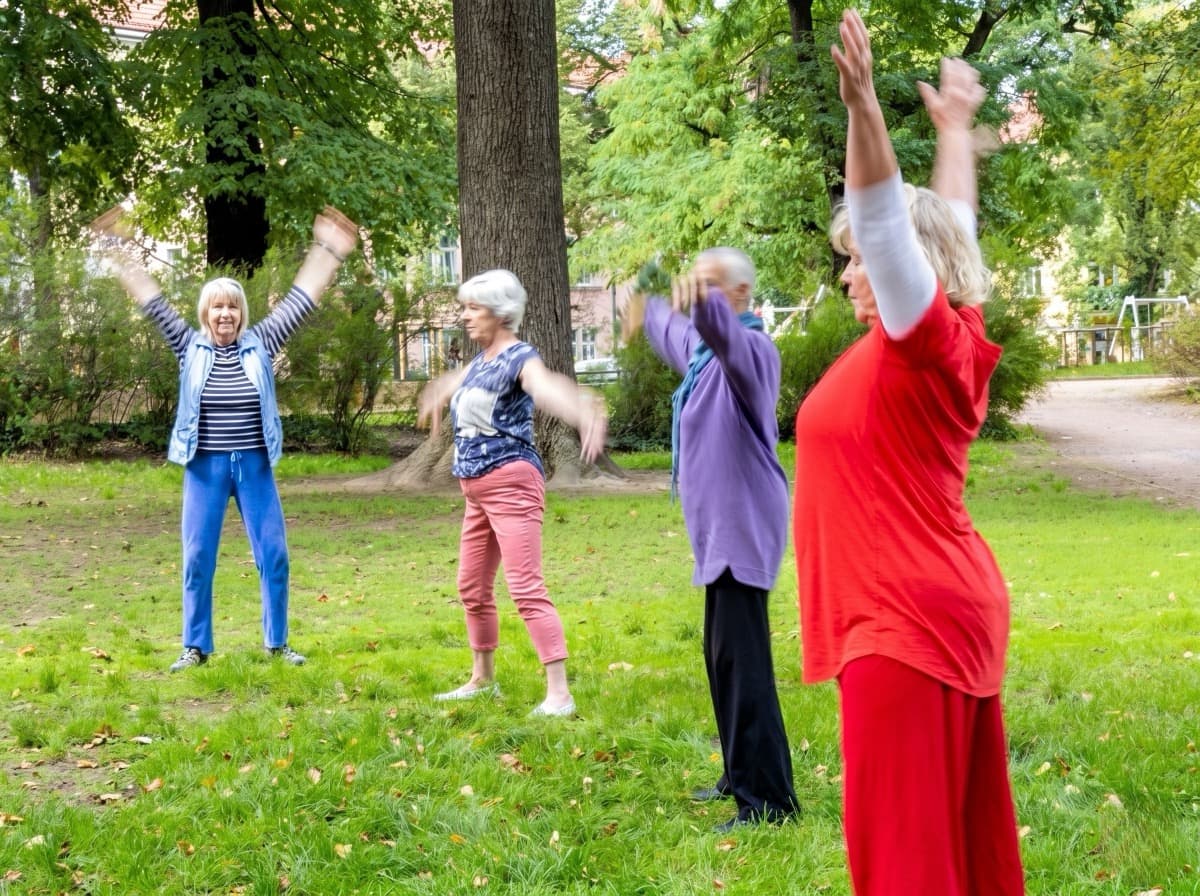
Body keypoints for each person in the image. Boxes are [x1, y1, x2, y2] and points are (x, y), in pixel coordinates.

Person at [792, 9, 1024, 894]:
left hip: (904, 622)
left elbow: (895, 229)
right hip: (941, 605)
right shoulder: (944, 336)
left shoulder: (919, 342)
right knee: (951, 840)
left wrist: (866, 112)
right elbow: (946, 223)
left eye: (853, 260)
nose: (850, 271)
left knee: (902, 859)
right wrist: (955, 134)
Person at [93, 205, 359, 673]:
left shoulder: (262, 341)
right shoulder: (187, 346)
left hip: (254, 463)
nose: (225, 313)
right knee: (197, 558)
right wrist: (116, 247)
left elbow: (300, 301)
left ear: (241, 314)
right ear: (205, 313)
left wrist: (330, 250)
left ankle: (277, 644)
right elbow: (151, 301)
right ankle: (195, 647)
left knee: (274, 555)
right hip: (205, 466)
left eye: (232, 306)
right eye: (217, 306)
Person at [622, 248, 799, 833]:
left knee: (744, 666)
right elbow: (672, 329)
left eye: (709, 285)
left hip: (744, 525)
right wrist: (647, 288)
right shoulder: (701, 358)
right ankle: (736, 773)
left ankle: (769, 802)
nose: (695, 297)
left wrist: (696, 294)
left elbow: (716, 331)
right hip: (717, 532)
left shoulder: (752, 354)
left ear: (740, 293)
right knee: (721, 658)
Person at [416, 269, 607, 717]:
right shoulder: (482, 361)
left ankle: (559, 694)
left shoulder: (520, 357)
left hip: (511, 484)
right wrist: (437, 391)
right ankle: (482, 679)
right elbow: (458, 383)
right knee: (471, 586)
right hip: (477, 493)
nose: (465, 317)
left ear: (500, 313)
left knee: (525, 587)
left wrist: (581, 409)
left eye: (473, 308)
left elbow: (544, 387)